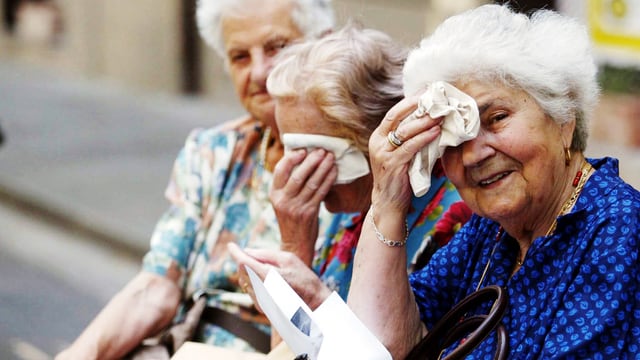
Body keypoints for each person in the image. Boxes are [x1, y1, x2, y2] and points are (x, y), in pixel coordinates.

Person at [347, 4, 640, 359]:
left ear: (564, 120)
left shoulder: (618, 231)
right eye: (452, 139)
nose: (473, 155)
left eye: (497, 118)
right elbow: (382, 345)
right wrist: (387, 201)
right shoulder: (491, 232)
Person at [56, 0, 335, 358]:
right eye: (240, 57)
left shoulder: (351, 173)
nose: (259, 72)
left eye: (276, 47)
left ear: (323, 44)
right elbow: (156, 288)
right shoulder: (213, 152)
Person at [229, 24, 470, 319]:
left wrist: (312, 295)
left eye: (315, 154)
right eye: (287, 148)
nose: (294, 170)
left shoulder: (457, 221)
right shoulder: (348, 209)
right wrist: (295, 245)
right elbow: (292, 351)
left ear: (383, 132)